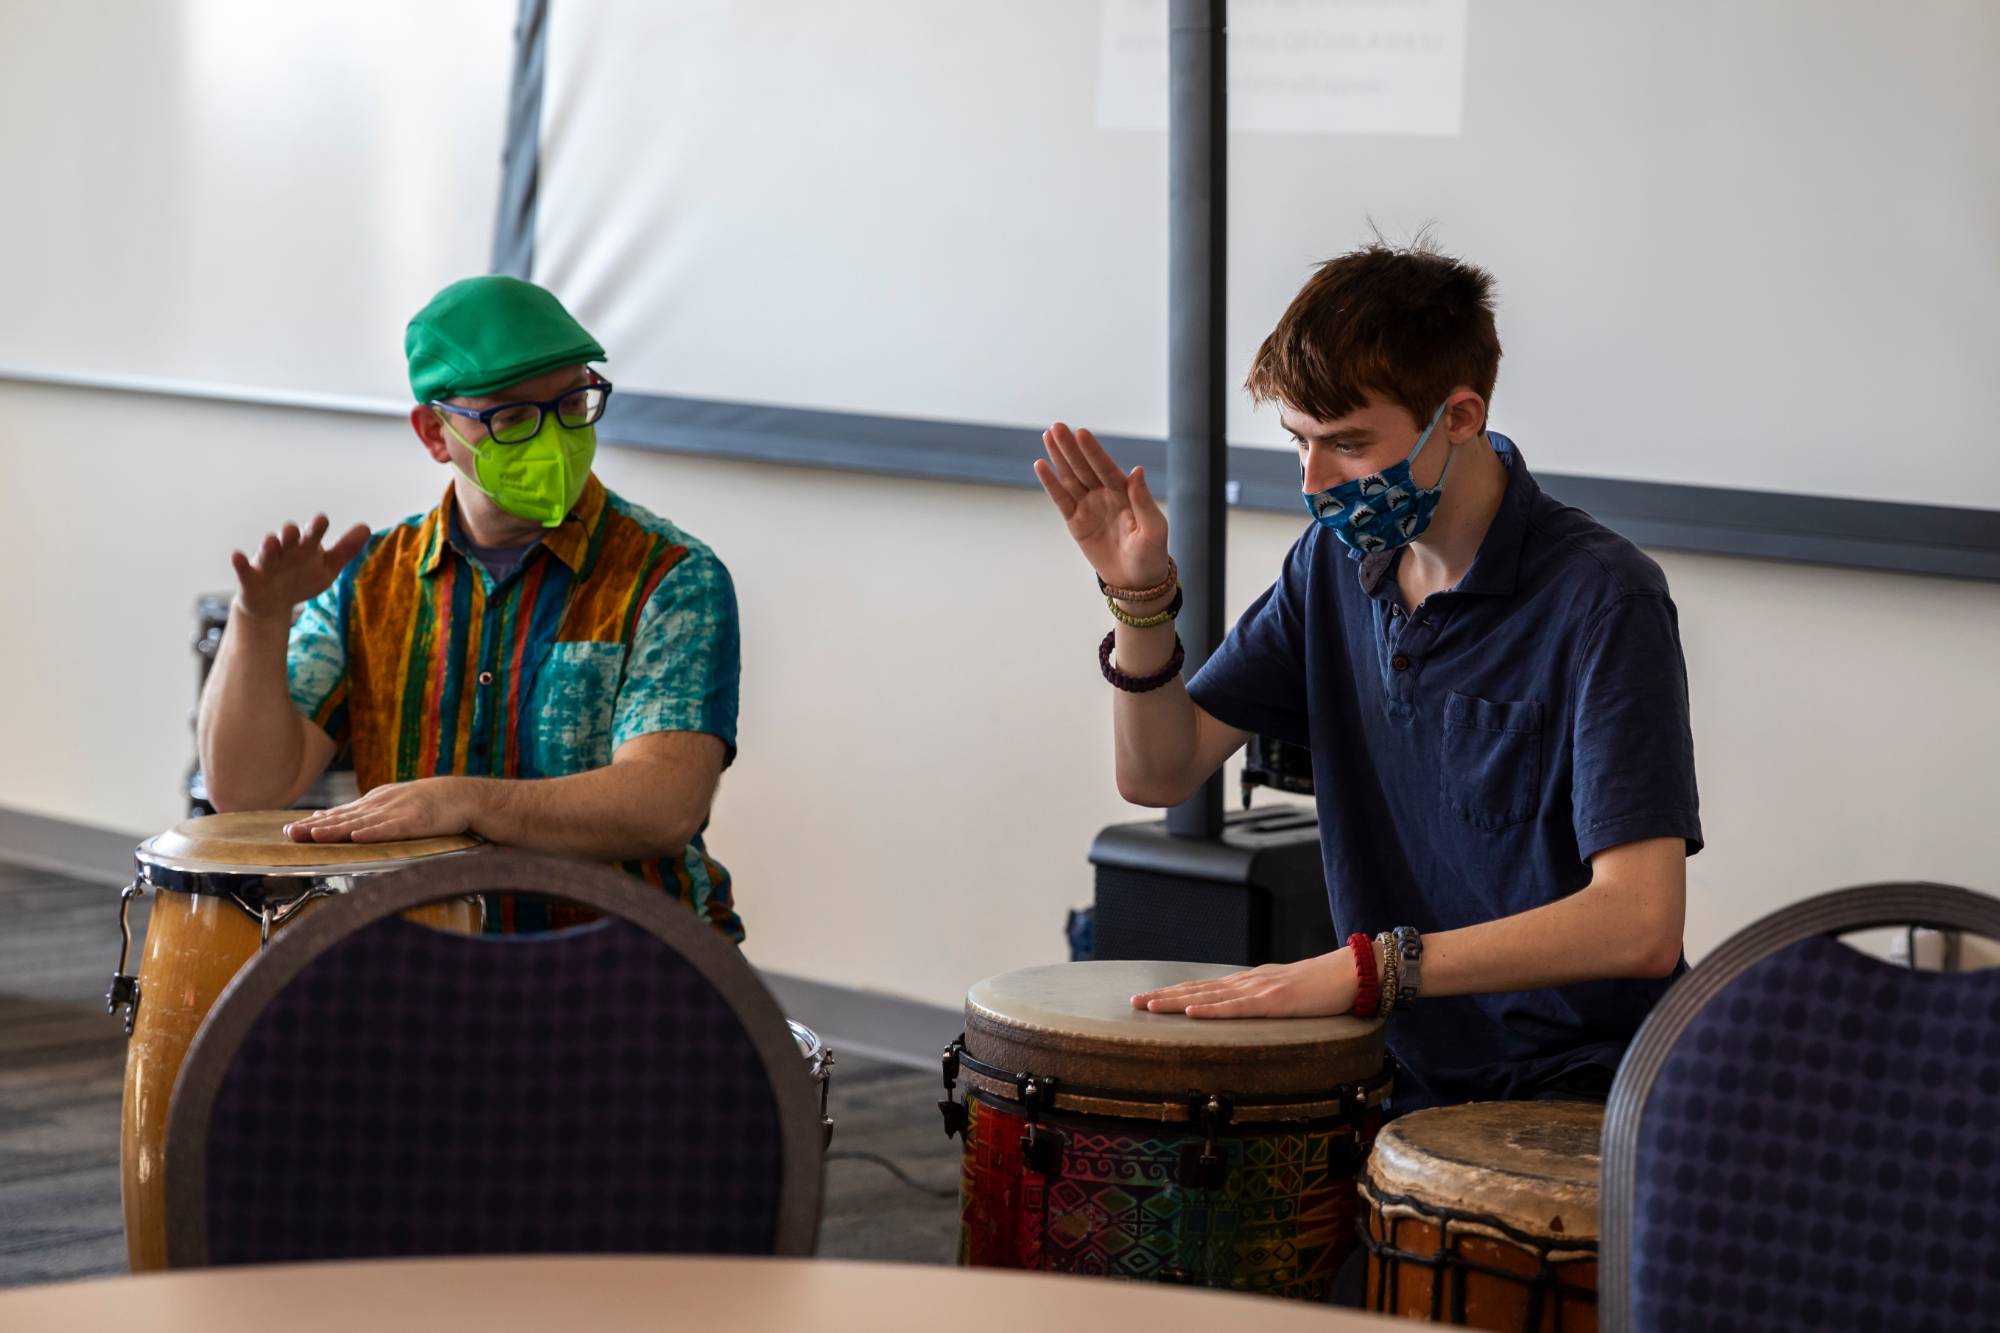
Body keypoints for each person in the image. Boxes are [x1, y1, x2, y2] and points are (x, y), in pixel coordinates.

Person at [1035, 241, 1700, 1111]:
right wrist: (1139, 600)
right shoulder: (1330, 564)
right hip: (1391, 1064)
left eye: (1348, 444)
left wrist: (1364, 970)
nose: (1314, 482)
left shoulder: (1604, 597)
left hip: (1582, 1086)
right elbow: (1158, 771)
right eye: (1298, 442)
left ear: (1459, 416)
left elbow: (1640, 922)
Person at [197, 275, 744, 939]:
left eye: (574, 402)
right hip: (425, 960)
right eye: (512, 417)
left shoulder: (671, 577)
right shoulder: (369, 580)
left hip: (626, 964)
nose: (554, 438)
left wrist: (464, 799)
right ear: (435, 432)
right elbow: (248, 791)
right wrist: (258, 623)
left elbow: (663, 803)